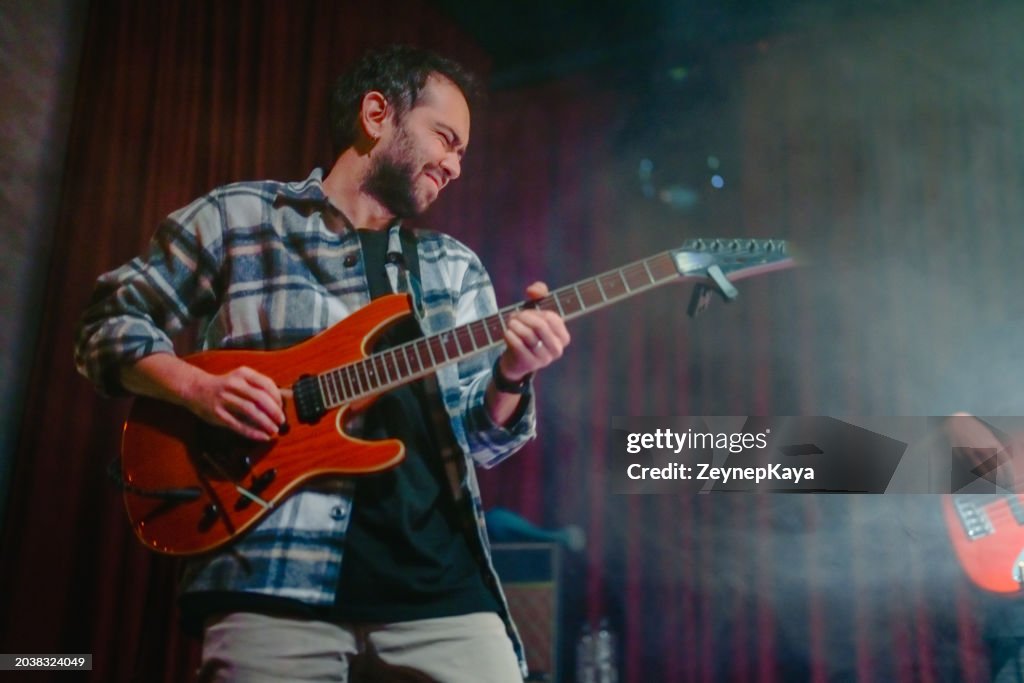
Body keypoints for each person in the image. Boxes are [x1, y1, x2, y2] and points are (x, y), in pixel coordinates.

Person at [74, 45, 570, 683]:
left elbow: (481, 438)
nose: (453, 165)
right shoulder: (241, 218)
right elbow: (104, 324)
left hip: (442, 590)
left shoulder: (454, 267)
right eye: (445, 139)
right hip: (274, 577)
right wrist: (196, 386)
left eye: (462, 154)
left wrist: (512, 374)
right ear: (375, 115)